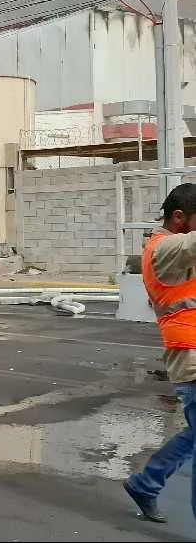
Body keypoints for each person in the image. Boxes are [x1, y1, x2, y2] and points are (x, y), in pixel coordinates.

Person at [124, 182, 196, 523]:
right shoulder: (164, 249)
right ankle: (146, 483)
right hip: (191, 356)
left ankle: (147, 483)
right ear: (179, 218)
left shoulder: (179, 253)